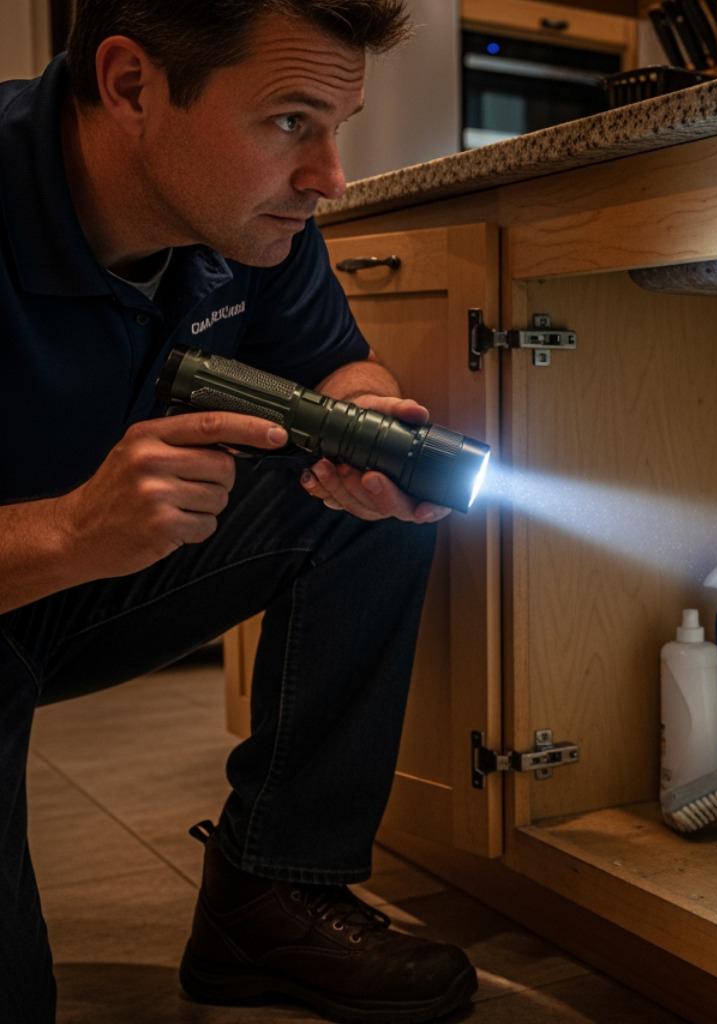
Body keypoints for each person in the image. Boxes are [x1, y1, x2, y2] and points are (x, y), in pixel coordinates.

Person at [0, 1, 478, 1020]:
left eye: (337, 126)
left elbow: (336, 363)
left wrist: (362, 421)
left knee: (362, 502)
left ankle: (271, 896)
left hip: (82, 578)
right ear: (131, 85)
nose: (329, 176)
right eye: (290, 121)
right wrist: (71, 531)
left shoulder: (250, 219)